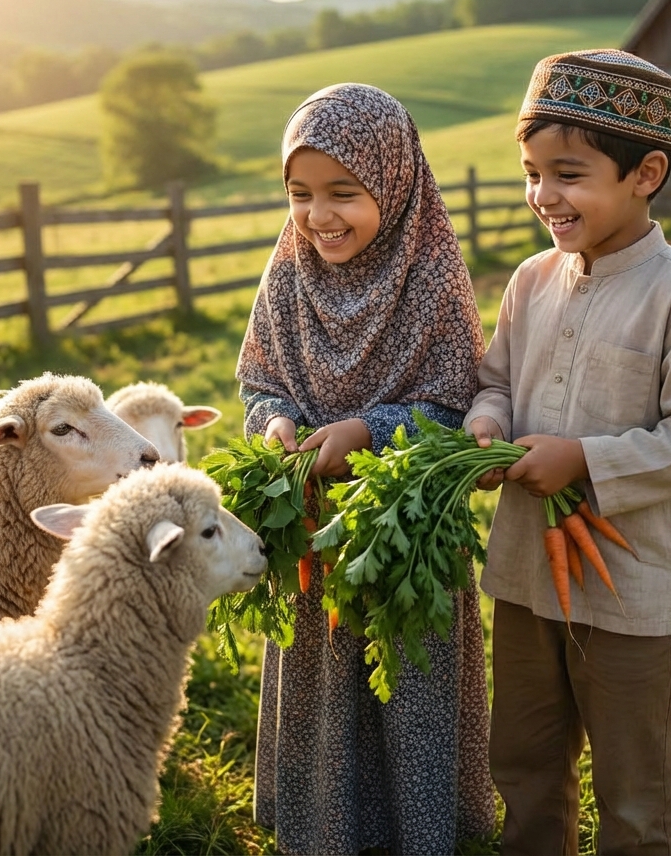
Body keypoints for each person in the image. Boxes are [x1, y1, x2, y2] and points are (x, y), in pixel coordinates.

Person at [465, 50, 671, 856]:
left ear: (645, 173)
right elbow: (495, 380)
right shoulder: (529, 281)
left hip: (629, 592)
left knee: (634, 788)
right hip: (524, 576)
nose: (544, 195)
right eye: (532, 173)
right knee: (524, 762)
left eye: (569, 175)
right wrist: (486, 423)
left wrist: (583, 459)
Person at [237, 82, 496, 856]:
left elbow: (454, 403)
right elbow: (260, 381)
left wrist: (368, 433)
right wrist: (274, 423)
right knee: (319, 671)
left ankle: (418, 828)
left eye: (343, 192)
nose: (319, 214)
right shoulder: (287, 276)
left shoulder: (432, 278)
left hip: (404, 528)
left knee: (407, 673)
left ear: (395, 180)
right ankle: (323, 824)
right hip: (312, 525)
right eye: (300, 193)